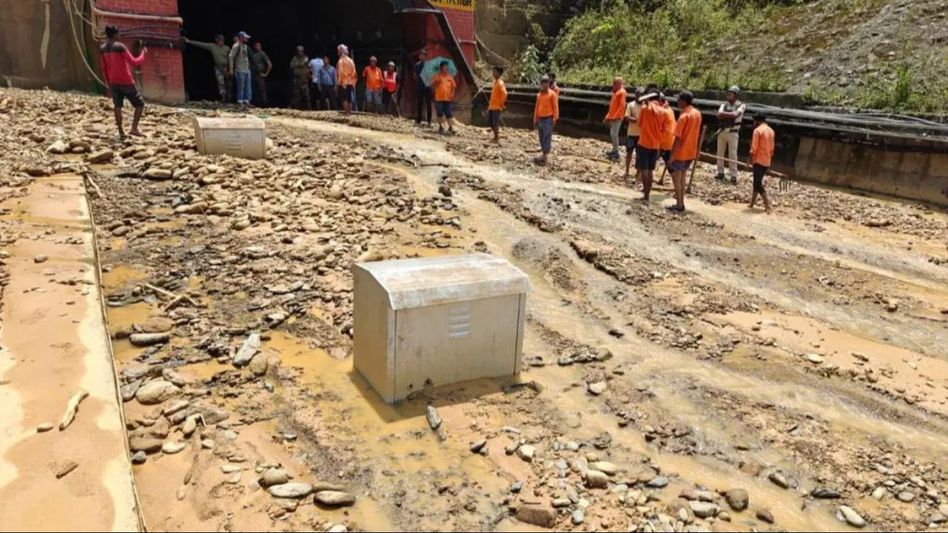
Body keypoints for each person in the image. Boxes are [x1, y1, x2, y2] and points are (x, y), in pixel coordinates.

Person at [99, 25, 146, 139]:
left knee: (117, 106)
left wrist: (108, 84)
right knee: (140, 104)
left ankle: (121, 131)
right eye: (118, 33)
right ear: (115, 34)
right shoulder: (120, 46)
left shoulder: (103, 48)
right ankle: (134, 129)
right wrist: (143, 53)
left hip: (113, 82)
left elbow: (103, 68)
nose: (120, 35)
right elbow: (134, 62)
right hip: (126, 81)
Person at [668, 90, 703, 212]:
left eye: (679, 99)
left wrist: (672, 155)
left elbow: (678, 137)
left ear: (683, 101)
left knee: (677, 180)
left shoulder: (683, 117)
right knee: (683, 178)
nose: (677, 101)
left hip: (680, 152)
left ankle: (679, 203)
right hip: (690, 151)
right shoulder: (697, 114)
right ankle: (681, 203)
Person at [635, 88, 665, 201]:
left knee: (644, 170)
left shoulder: (644, 108)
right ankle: (647, 195)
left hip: (644, 143)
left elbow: (640, 123)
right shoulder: (663, 111)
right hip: (655, 145)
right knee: (651, 170)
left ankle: (645, 195)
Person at [183, 34, 230, 102]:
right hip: (218, 68)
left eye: (222, 40)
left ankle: (229, 97)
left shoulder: (227, 48)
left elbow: (232, 58)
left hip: (226, 68)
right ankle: (223, 97)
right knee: (220, 83)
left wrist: (230, 68)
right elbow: (201, 44)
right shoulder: (212, 46)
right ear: (216, 40)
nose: (221, 41)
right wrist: (189, 41)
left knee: (228, 84)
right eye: (219, 40)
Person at [716, 85, 745, 183]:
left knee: (732, 154)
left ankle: (733, 175)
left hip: (733, 133)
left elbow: (735, 115)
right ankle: (720, 172)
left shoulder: (741, 105)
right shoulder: (724, 105)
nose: (728, 96)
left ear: (736, 96)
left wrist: (726, 115)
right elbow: (719, 115)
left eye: (730, 94)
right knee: (720, 152)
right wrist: (730, 115)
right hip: (722, 131)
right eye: (727, 94)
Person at [748, 114, 775, 213]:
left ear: (757, 121)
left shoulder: (757, 131)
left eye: (754, 121)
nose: (753, 123)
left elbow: (754, 147)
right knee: (757, 181)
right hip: (766, 160)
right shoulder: (771, 131)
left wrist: (749, 159)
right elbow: (772, 149)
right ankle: (751, 203)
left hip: (758, 160)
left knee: (758, 183)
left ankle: (768, 205)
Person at [533, 75, 559, 165]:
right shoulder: (539, 95)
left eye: (546, 82)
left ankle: (545, 155)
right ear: (541, 84)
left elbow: (555, 107)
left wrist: (555, 118)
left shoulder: (552, 94)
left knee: (547, 136)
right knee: (541, 135)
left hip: (548, 118)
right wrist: (535, 119)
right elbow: (537, 107)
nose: (545, 84)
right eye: (543, 83)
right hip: (540, 118)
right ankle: (544, 153)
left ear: (549, 84)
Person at [604, 77, 627, 162]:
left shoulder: (622, 92)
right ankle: (614, 150)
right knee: (612, 134)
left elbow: (622, 106)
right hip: (613, 116)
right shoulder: (616, 92)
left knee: (614, 134)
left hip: (616, 117)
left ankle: (616, 152)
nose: (612, 85)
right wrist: (608, 116)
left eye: (614, 83)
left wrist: (615, 116)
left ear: (618, 84)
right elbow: (612, 107)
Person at [431, 61, 457, 135]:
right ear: (441, 68)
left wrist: (452, 94)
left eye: (446, 66)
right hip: (439, 98)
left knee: (449, 113)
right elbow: (433, 84)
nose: (446, 68)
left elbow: (453, 87)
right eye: (444, 66)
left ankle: (451, 127)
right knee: (440, 113)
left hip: (448, 99)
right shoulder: (437, 76)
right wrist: (438, 78)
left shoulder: (450, 77)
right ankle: (441, 126)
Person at [656, 93, 677, 184]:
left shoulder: (663, 112)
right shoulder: (669, 109)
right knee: (670, 165)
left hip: (663, 142)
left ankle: (639, 179)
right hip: (670, 140)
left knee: (649, 161)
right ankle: (677, 186)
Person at [624, 86, 643, 179]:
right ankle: (627, 170)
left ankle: (638, 173)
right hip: (631, 134)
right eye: (639, 94)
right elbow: (627, 117)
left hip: (641, 135)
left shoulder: (645, 106)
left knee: (640, 155)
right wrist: (636, 120)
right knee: (629, 152)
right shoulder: (630, 105)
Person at [229, 31, 252, 106]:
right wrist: (231, 68)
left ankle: (246, 101)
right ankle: (240, 101)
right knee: (240, 86)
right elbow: (231, 56)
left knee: (247, 87)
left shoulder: (245, 46)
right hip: (239, 69)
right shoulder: (236, 46)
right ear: (241, 38)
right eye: (245, 37)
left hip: (246, 69)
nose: (247, 39)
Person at [487, 65, 508, 143]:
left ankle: (496, 138)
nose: (493, 73)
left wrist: (501, 104)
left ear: (499, 73)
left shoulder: (500, 83)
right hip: (491, 106)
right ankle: (496, 136)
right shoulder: (495, 82)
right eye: (493, 71)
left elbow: (505, 94)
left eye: (494, 72)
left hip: (496, 107)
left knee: (495, 122)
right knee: (490, 122)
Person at [337, 44, 357, 115]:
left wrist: (340, 83)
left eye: (338, 51)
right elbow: (354, 72)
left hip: (344, 82)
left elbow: (340, 73)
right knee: (349, 98)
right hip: (350, 82)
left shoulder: (341, 61)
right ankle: (350, 113)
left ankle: (347, 113)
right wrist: (354, 82)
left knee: (344, 98)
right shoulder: (351, 61)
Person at [288, 46, 311, 110]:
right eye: (298, 51)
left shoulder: (306, 58)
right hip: (296, 80)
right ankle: (297, 110)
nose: (300, 52)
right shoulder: (294, 58)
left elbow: (304, 63)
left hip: (303, 80)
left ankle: (309, 110)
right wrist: (299, 65)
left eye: (301, 51)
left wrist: (297, 64)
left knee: (306, 96)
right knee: (296, 96)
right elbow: (291, 65)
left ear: (303, 51)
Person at [413, 49, 432, 126]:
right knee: (419, 103)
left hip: (427, 87)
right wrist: (418, 81)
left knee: (428, 104)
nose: (421, 56)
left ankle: (429, 121)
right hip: (420, 87)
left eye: (422, 55)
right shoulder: (417, 65)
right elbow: (414, 75)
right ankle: (418, 120)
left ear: (425, 56)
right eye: (420, 55)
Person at [251, 41, 272, 107]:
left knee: (262, 90)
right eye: (256, 46)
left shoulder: (262, 54)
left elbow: (270, 64)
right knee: (254, 90)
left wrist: (266, 74)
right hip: (253, 74)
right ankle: (256, 104)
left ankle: (265, 104)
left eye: (259, 46)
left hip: (259, 74)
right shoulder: (252, 53)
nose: (257, 47)